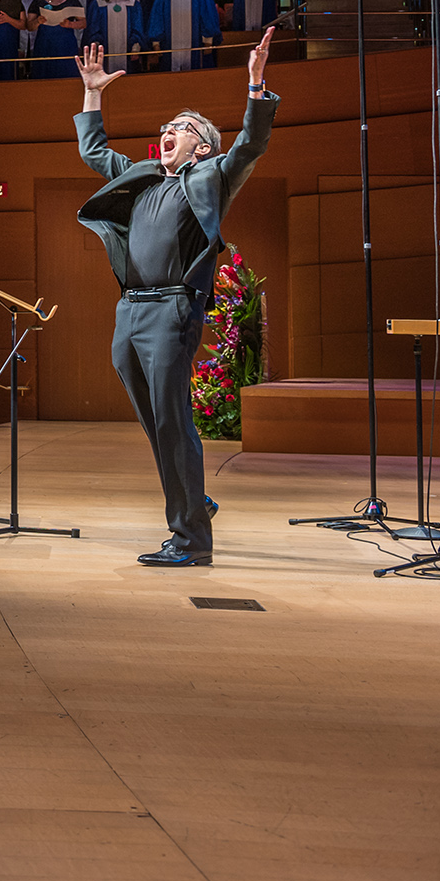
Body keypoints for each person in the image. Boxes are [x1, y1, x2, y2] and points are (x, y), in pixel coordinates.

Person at [73, 33, 278, 568]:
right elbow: (93, 150)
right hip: (130, 311)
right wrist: (93, 94)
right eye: (166, 127)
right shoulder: (140, 178)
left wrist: (256, 84)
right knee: (157, 421)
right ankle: (195, 499)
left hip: (171, 309)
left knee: (173, 422)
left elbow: (250, 145)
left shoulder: (211, 176)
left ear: (202, 146)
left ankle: (190, 539)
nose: (167, 132)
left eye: (181, 129)